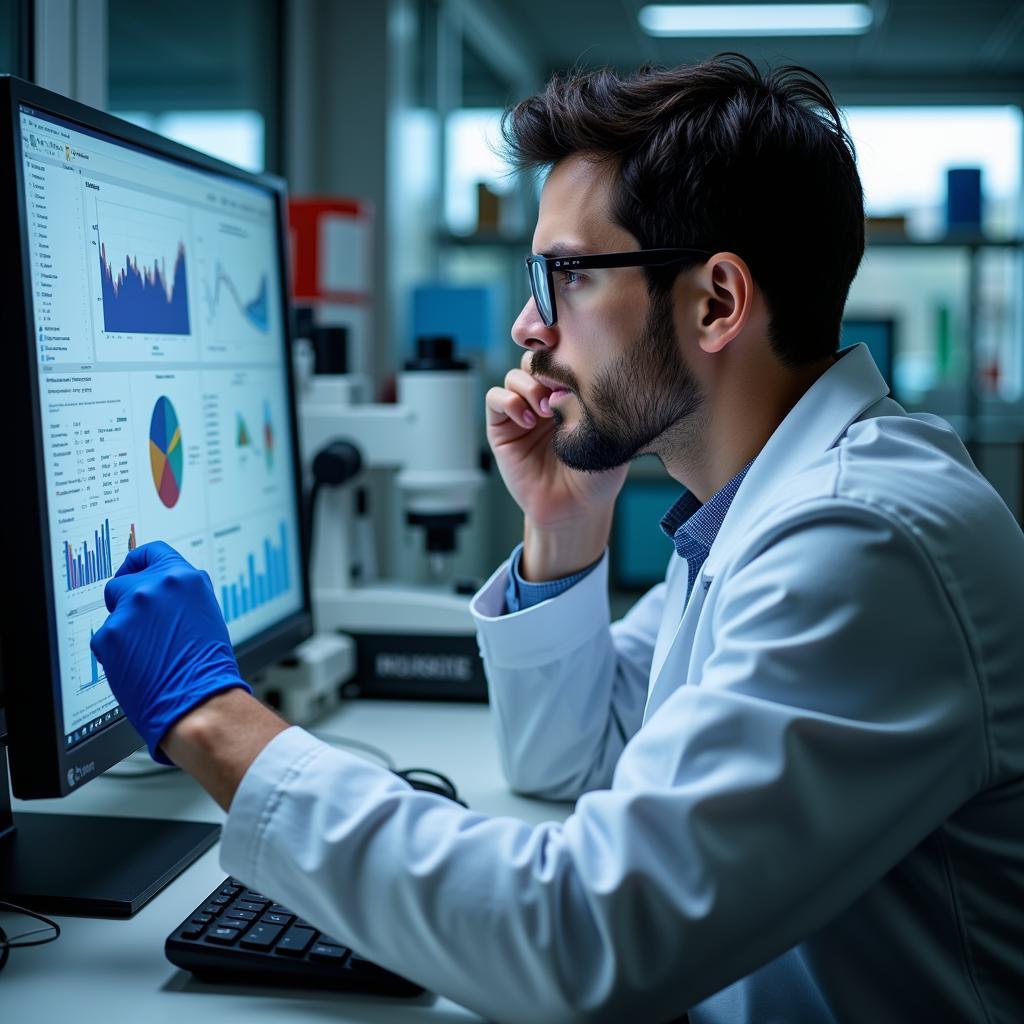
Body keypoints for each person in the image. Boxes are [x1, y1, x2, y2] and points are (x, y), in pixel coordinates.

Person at [92, 55, 1024, 1023]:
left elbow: (583, 939)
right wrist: (564, 525)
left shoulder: (860, 541)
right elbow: (574, 758)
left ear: (715, 302)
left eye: (566, 274)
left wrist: (217, 721)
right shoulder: (768, 510)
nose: (528, 325)